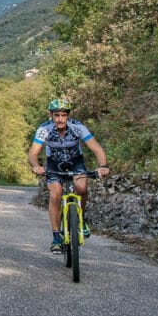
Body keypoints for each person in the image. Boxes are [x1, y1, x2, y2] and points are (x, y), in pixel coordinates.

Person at [28, 98, 109, 253]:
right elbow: (33, 153)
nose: (60, 119)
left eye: (64, 115)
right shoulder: (44, 129)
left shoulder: (77, 127)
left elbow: (96, 148)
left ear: (68, 116)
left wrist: (103, 166)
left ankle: (81, 219)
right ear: (51, 115)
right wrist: (36, 166)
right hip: (54, 163)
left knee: (81, 188)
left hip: (75, 162)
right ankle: (56, 237)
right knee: (55, 195)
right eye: (56, 115)